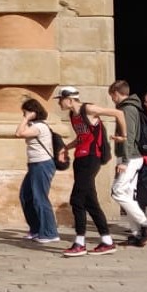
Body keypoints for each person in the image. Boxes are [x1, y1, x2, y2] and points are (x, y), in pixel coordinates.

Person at [84, 80, 147, 246]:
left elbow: (128, 136)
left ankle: (146, 224)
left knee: (117, 192)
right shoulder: (131, 107)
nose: (112, 99)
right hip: (133, 156)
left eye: (112, 96)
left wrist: (125, 160)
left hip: (131, 157)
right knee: (128, 193)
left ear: (116, 92)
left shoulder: (127, 109)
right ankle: (138, 233)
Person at [56, 87, 117, 256]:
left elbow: (118, 114)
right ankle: (107, 241)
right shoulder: (73, 116)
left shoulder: (88, 109)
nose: (59, 102)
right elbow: (82, 138)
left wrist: (125, 136)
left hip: (92, 158)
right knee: (90, 202)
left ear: (69, 100)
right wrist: (65, 148)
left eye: (60, 99)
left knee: (76, 199)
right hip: (80, 158)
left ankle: (79, 243)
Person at [14, 97, 60, 243]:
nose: (23, 116)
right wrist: (27, 119)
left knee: (40, 198)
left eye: (25, 112)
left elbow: (19, 133)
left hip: (42, 164)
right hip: (34, 165)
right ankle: (36, 229)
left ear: (33, 112)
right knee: (25, 196)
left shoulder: (39, 126)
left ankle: (50, 233)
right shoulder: (34, 125)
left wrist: (26, 118)